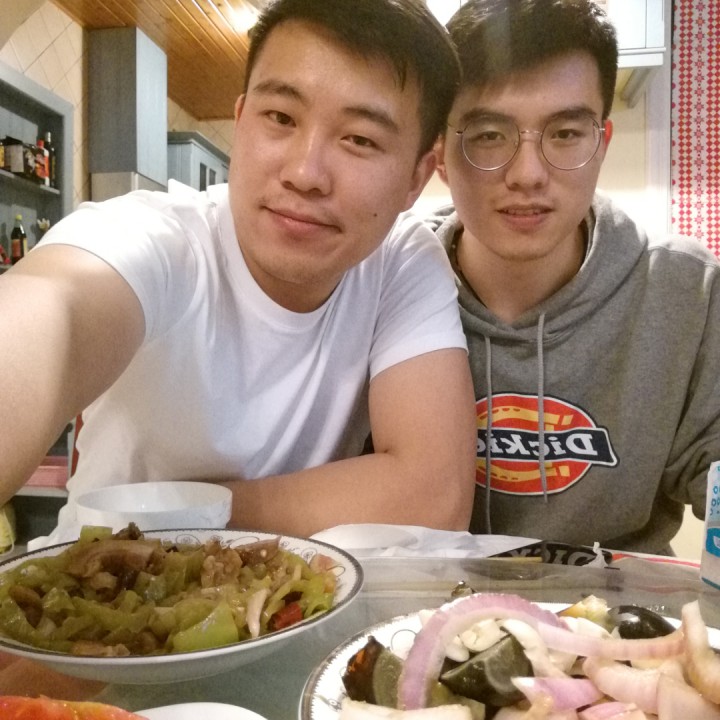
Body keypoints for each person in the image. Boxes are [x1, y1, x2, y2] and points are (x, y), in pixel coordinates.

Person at [0, 0, 477, 544]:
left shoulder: (401, 261)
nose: (304, 173)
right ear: (242, 118)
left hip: (296, 591)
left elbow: (434, 496)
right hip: (86, 587)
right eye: (281, 118)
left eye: (360, 140)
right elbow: (52, 307)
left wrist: (172, 515)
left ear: (416, 178)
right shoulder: (155, 238)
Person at [428, 0, 720, 554]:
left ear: (601, 144)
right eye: (489, 135)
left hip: (618, 603)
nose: (528, 174)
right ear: (440, 153)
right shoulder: (384, 281)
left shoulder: (687, 292)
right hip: (429, 601)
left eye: (565, 133)